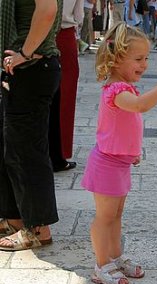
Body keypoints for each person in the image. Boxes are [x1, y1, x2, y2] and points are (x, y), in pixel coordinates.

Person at [81, 22, 157, 284]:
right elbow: (141, 106)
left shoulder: (125, 87)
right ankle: (101, 265)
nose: (144, 64)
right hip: (106, 165)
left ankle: (115, 256)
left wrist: (131, 152)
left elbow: (124, 126)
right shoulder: (118, 91)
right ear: (116, 59)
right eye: (138, 59)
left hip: (119, 162)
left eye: (146, 58)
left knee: (116, 214)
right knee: (105, 216)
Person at [0, 0, 62, 251]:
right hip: (21, 67)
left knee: (27, 153)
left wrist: (24, 53)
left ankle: (38, 228)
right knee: (11, 148)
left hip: (32, 66)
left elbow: (47, 10)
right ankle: (15, 220)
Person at [49, 0, 84, 173]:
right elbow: (79, 16)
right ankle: (60, 152)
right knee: (66, 97)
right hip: (65, 34)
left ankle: (45, 152)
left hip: (39, 35)